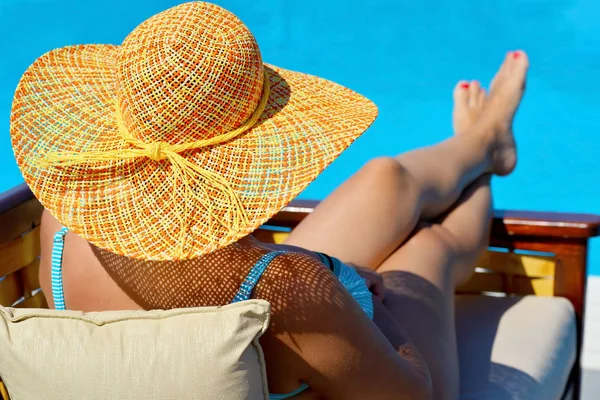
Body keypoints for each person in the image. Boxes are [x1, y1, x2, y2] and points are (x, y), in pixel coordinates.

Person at [11, 2, 528, 399]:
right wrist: (367, 302)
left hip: (243, 290)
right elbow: (413, 391)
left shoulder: (66, 220)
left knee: (385, 177)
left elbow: (193, 285)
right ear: (248, 155)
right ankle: (485, 160)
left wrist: (313, 270)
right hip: (343, 352)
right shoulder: (288, 290)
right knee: (429, 246)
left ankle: (484, 143)